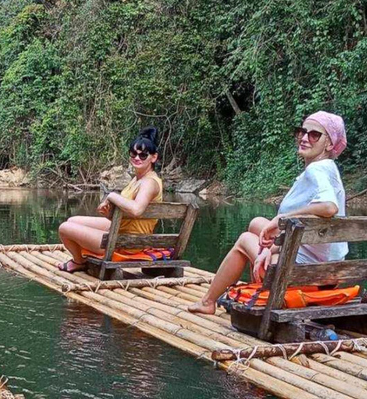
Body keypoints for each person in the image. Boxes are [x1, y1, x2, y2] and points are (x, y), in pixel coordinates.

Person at [188, 111, 348, 314]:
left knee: (245, 239)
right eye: (302, 132)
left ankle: (207, 302)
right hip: (328, 272)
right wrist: (270, 248)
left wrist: (282, 218)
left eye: (314, 134)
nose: (305, 138)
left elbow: (329, 207)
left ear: (329, 144)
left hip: (307, 275)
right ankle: (259, 275)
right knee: (257, 223)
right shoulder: (328, 169)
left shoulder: (317, 170)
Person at [57, 127, 163, 272]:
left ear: (154, 157)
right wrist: (108, 213)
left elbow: (137, 210)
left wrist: (112, 196)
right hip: (121, 232)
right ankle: (81, 258)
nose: (137, 158)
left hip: (129, 243)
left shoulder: (149, 183)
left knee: (64, 228)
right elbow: (128, 215)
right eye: (134, 154)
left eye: (143, 155)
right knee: (72, 221)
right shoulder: (137, 179)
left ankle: (79, 262)